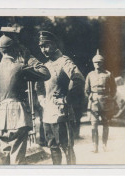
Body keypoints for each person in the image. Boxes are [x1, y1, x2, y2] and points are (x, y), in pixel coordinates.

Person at [0, 35, 50, 165]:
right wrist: (29, 57)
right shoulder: (20, 67)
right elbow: (45, 73)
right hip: (18, 116)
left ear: (0, 50)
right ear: (15, 49)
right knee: (18, 160)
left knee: (4, 159)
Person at [37, 31, 85, 164]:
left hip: (62, 112)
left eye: (46, 45)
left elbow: (79, 79)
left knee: (66, 147)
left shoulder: (64, 61)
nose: (44, 49)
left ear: (54, 44)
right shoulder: (45, 65)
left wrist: (67, 99)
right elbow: (39, 86)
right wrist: (41, 99)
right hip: (48, 113)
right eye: (41, 46)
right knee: (52, 147)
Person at [85, 50, 117, 153]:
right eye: (95, 62)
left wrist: (109, 98)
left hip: (106, 103)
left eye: (99, 62)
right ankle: (95, 146)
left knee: (105, 124)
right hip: (94, 103)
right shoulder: (90, 75)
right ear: (93, 63)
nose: (97, 64)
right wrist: (91, 97)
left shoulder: (108, 74)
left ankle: (104, 145)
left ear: (102, 63)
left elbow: (113, 88)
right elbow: (86, 90)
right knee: (93, 125)